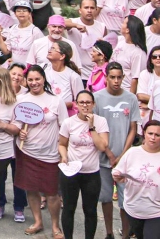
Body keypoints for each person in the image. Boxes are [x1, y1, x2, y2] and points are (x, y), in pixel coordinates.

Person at [13, 65, 67, 238]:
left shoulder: (56, 101)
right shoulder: (21, 99)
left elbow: (65, 128)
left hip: (50, 154)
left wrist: (63, 153)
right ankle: (37, 221)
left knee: (52, 193)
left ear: (44, 79)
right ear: (25, 81)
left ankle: (55, 226)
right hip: (26, 151)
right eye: (30, 79)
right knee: (31, 189)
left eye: (37, 79)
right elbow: (16, 124)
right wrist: (19, 131)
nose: (34, 83)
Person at [112, 120, 160, 239]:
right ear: (144, 133)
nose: (153, 138)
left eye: (157, 135)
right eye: (150, 133)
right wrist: (118, 176)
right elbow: (118, 172)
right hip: (134, 209)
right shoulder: (132, 153)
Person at [94, 62, 140, 239]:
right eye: (112, 77)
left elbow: (133, 129)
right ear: (106, 77)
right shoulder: (97, 98)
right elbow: (95, 129)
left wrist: (122, 154)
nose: (116, 81)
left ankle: (126, 233)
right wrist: (109, 153)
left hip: (125, 159)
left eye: (119, 77)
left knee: (125, 200)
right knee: (105, 198)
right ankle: (109, 232)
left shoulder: (131, 98)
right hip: (103, 157)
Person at [58, 90, 109, 239]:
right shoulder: (69, 122)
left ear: (93, 104)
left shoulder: (101, 121)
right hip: (71, 172)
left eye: (88, 102)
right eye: (81, 102)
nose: (85, 105)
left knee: (90, 210)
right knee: (69, 208)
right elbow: (62, 144)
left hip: (91, 172)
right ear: (76, 105)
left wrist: (91, 126)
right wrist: (64, 156)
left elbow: (102, 146)